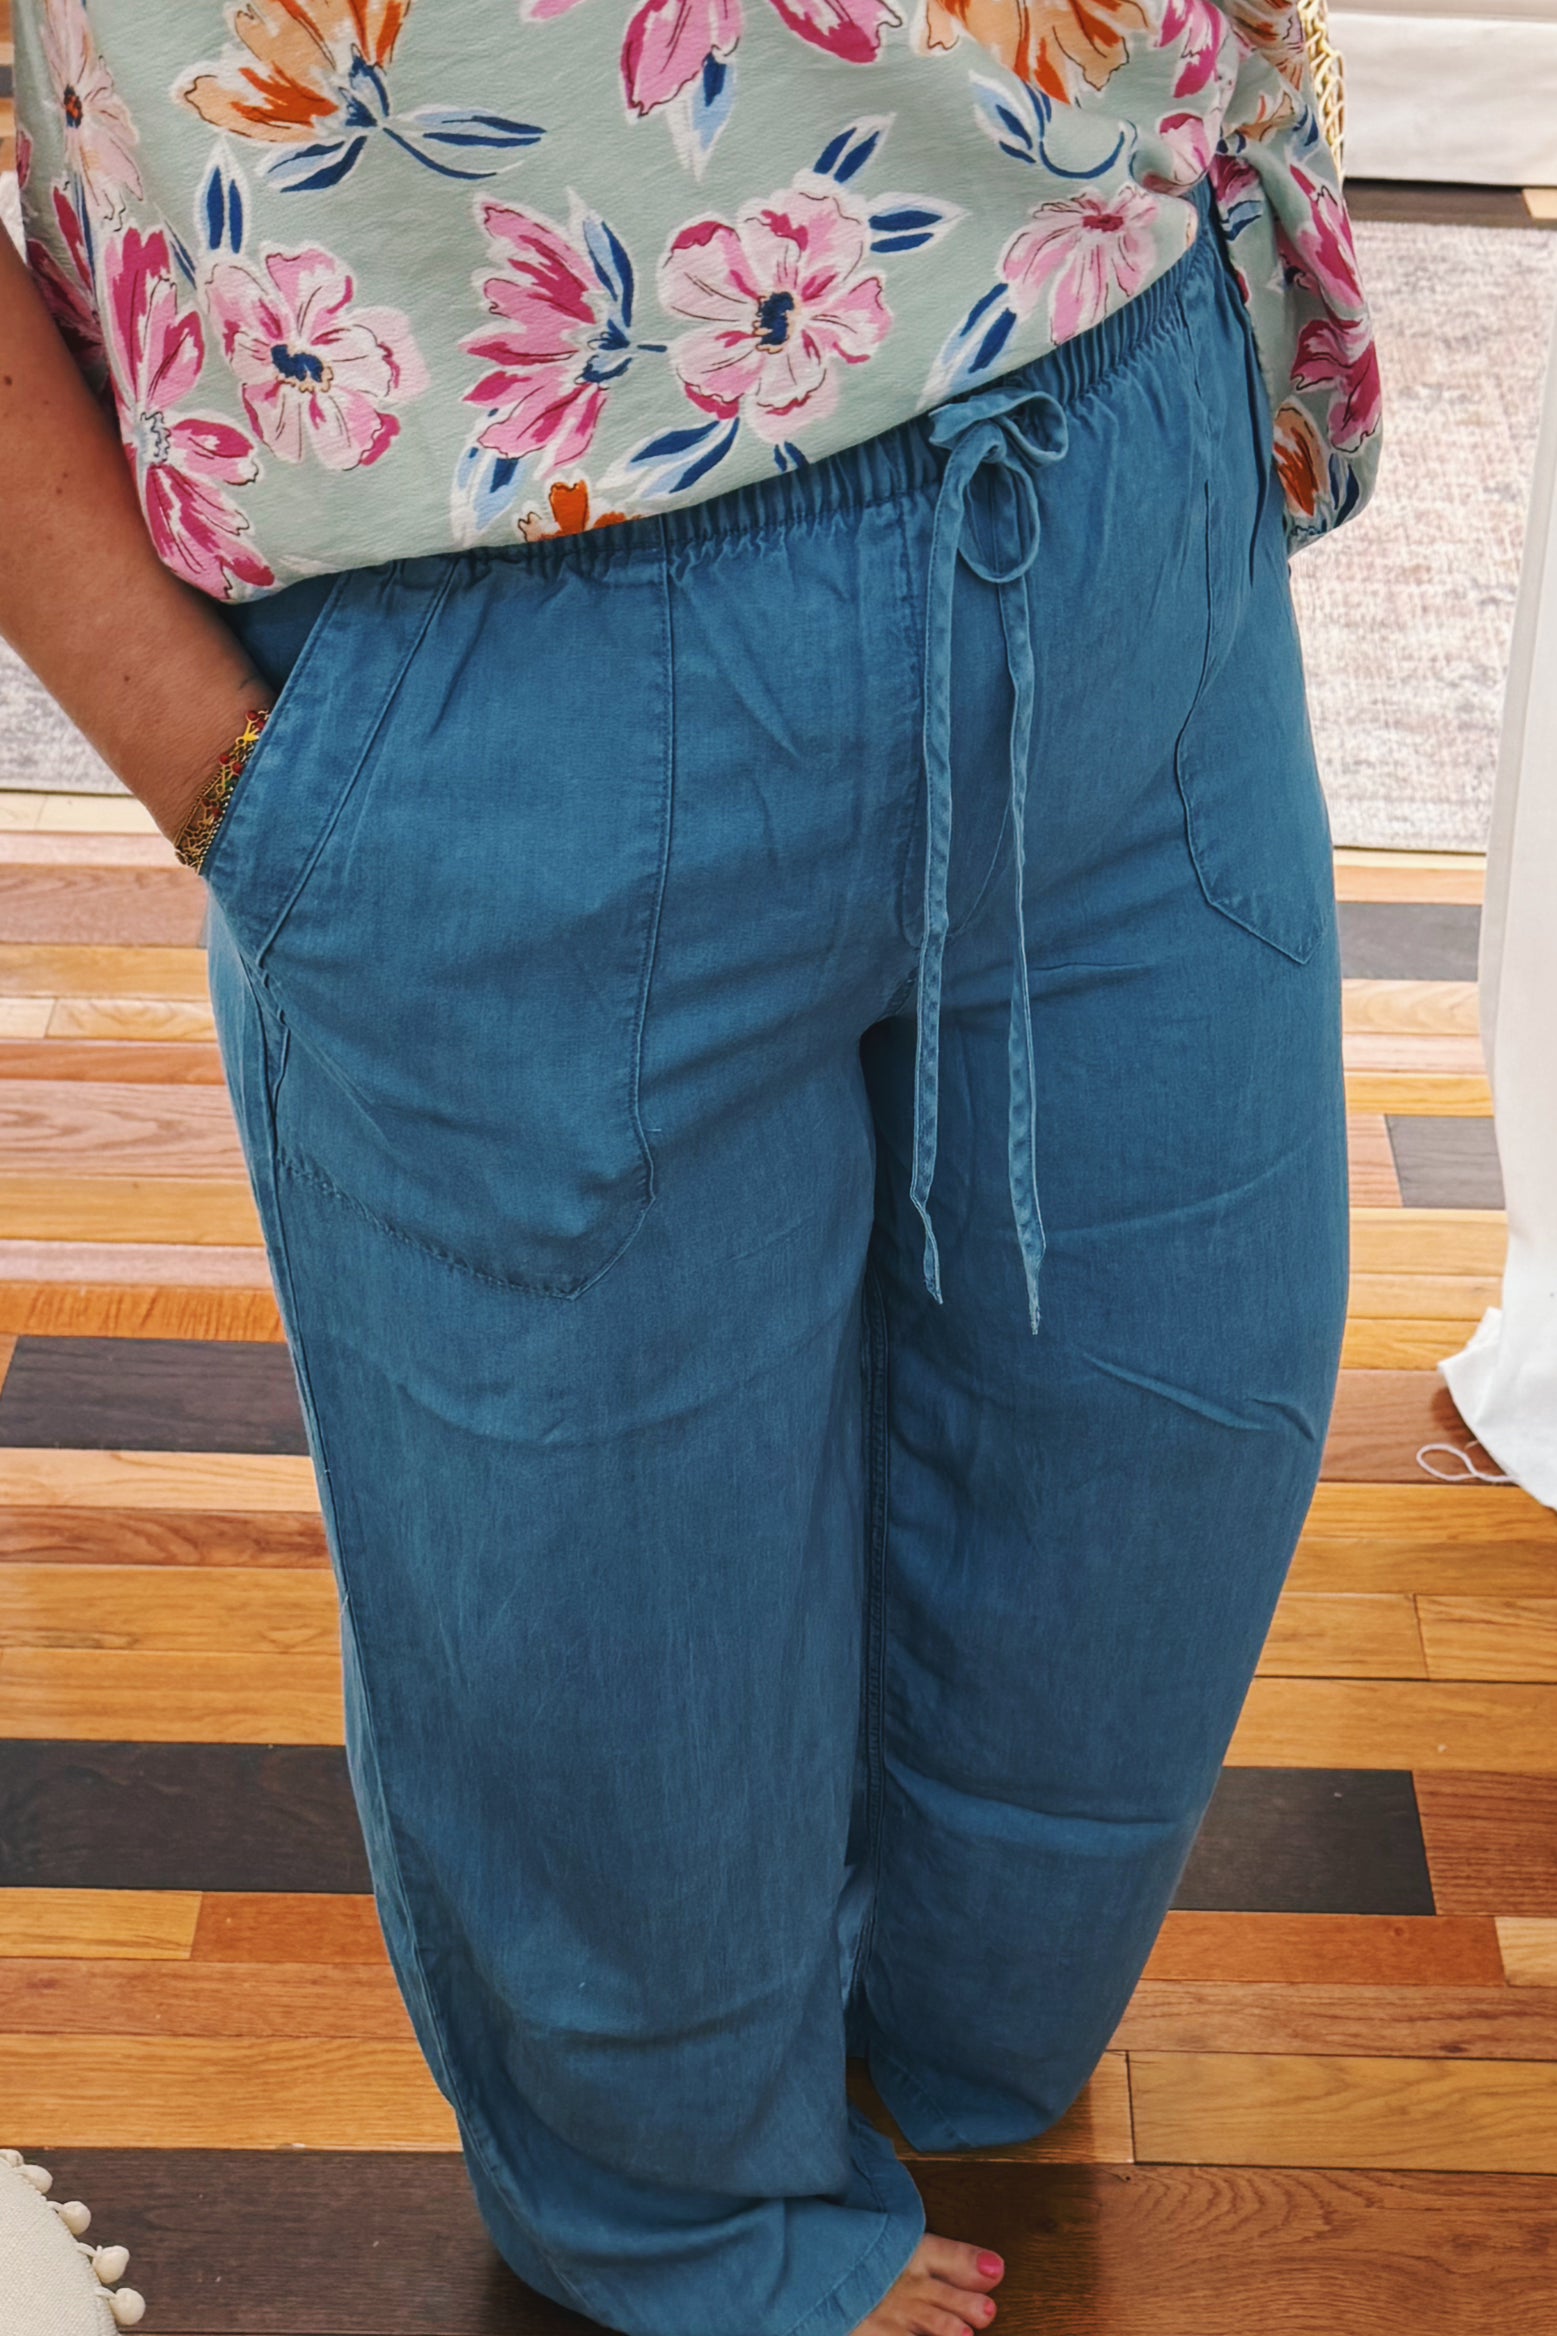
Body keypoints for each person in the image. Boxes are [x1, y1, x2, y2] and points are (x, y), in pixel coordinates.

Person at [0, 5, 1379, 2333]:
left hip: (1106, 457)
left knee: (1150, 1476)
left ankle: (940, 2032)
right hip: (474, 613)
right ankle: (677, 2218)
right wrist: (202, 755)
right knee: (594, 1647)